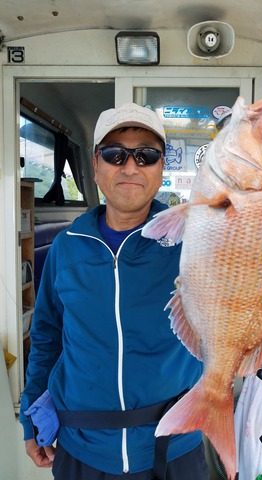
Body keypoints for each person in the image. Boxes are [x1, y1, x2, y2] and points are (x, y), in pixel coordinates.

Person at [20, 103, 208, 480]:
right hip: (81, 450)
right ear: (95, 165)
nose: (130, 166)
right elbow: (47, 337)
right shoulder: (66, 247)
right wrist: (31, 415)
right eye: (115, 153)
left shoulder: (198, 240)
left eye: (146, 155)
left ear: (160, 167)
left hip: (173, 449)